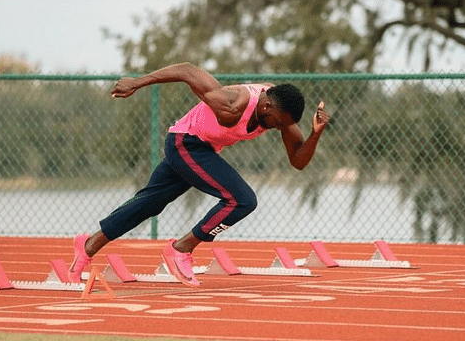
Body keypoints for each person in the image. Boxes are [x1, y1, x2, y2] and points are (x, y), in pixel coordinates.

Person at [68, 62, 331, 286]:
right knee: (242, 200)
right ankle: (180, 249)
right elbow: (186, 70)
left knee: (149, 203)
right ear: (267, 106)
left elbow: (298, 161)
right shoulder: (232, 103)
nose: (279, 129)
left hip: (202, 148)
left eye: (284, 125)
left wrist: (315, 134)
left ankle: (88, 245)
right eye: (278, 123)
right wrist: (137, 83)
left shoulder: (279, 113)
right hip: (185, 142)